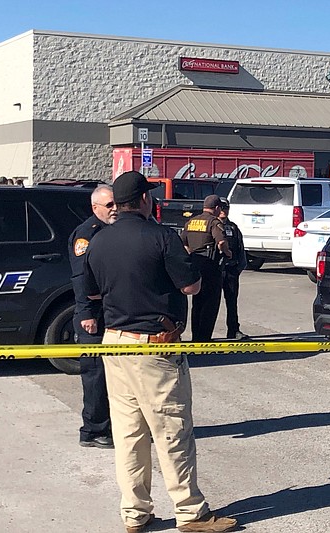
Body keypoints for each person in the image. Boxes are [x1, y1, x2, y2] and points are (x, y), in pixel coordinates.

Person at [83, 171, 237, 533]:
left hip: (114, 343)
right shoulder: (160, 237)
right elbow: (192, 285)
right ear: (143, 201)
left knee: (128, 435)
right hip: (154, 347)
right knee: (171, 430)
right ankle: (191, 512)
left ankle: (135, 513)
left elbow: (91, 294)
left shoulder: (98, 241)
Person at [68, 184, 117, 449]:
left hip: (110, 311)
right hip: (92, 315)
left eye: (116, 203)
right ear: (95, 207)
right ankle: (93, 430)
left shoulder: (111, 231)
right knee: (95, 373)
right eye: (109, 205)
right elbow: (80, 277)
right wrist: (86, 312)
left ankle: (108, 424)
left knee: (112, 372)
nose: (114, 209)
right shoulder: (87, 234)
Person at [180, 194, 231, 342]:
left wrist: (191, 253)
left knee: (197, 303)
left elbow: (183, 242)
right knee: (210, 303)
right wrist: (228, 252)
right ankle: (204, 338)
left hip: (195, 265)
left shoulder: (191, 221)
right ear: (216, 208)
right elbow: (221, 242)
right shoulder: (214, 222)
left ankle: (196, 336)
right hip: (211, 266)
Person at [217, 198, 248, 340]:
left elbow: (240, 249)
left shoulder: (233, 228)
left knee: (232, 302)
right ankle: (204, 334)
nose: (224, 210)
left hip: (230, 270)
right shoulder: (211, 225)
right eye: (222, 207)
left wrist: (238, 268)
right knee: (210, 303)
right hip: (214, 271)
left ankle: (234, 330)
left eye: (226, 208)